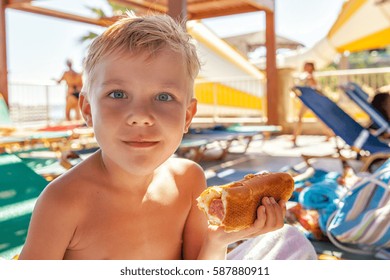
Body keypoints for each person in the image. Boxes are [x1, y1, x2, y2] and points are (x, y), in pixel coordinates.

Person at [18, 13, 300, 260]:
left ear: (187, 116)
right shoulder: (62, 201)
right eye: (118, 94)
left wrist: (219, 240)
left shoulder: (189, 180)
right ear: (88, 111)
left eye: (163, 96)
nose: (140, 115)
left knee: (292, 241)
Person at [291, 62, 333, 146]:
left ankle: (330, 133)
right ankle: (329, 133)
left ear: (310, 68)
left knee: (315, 118)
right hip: (308, 101)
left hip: (311, 101)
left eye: (307, 66)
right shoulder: (307, 76)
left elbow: (313, 89)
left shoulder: (310, 77)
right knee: (313, 117)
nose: (305, 67)